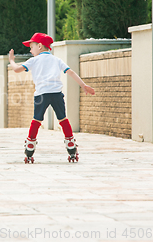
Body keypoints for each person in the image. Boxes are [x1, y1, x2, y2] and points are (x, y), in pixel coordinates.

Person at [8, 33, 95, 163]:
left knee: (36, 121)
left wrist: (11, 60)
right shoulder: (56, 60)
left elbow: (16, 70)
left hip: (41, 95)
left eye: (31, 47)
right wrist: (83, 85)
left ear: (40, 46)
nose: (30, 50)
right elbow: (70, 72)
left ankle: (30, 147)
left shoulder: (34, 60)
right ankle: (71, 146)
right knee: (63, 120)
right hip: (56, 94)